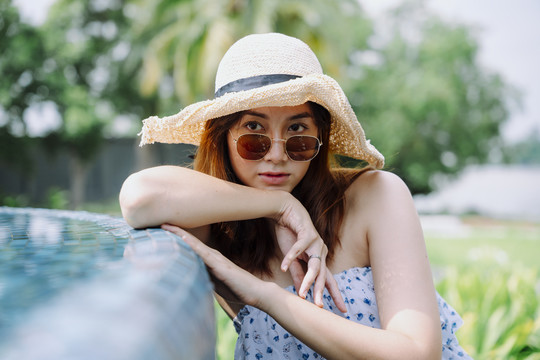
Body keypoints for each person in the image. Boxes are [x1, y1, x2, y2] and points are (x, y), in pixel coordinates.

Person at [120, 33, 471, 359]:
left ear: (321, 136)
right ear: (223, 138)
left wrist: (267, 298)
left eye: (297, 131)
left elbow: (416, 353)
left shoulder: (374, 196)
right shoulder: (220, 231)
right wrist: (279, 204)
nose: (276, 154)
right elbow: (139, 197)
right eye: (253, 131)